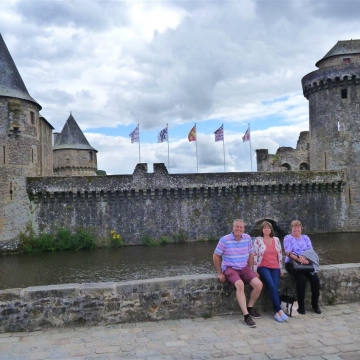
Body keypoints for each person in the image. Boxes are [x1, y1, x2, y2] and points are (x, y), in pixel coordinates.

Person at [213, 219, 263, 328]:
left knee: (259, 285)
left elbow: (251, 254)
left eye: (241, 227)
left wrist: (251, 270)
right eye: (237, 227)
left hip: (244, 267)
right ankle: (246, 316)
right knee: (240, 285)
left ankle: (250, 308)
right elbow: (216, 255)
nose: (239, 229)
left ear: (244, 229)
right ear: (233, 228)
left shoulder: (247, 238)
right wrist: (220, 273)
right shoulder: (224, 240)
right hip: (230, 268)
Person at [283, 220, 321, 315]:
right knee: (301, 279)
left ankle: (315, 305)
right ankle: (301, 306)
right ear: (291, 228)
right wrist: (299, 259)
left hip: (306, 262)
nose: (296, 229)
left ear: (301, 228)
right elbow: (288, 252)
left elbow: (310, 250)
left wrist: (304, 258)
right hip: (293, 264)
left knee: (315, 279)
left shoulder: (305, 238)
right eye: (294, 227)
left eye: (298, 227)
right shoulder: (288, 238)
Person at [253, 221, 288, 323]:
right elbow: (255, 255)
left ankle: (277, 314)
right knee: (272, 286)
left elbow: (280, 255)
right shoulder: (258, 241)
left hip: (275, 267)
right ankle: (279, 310)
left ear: (271, 229)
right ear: (262, 230)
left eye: (268, 228)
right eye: (264, 228)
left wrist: (280, 268)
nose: (266, 229)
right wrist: (255, 270)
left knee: (275, 288)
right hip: (263, 267)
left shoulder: (276, 240)